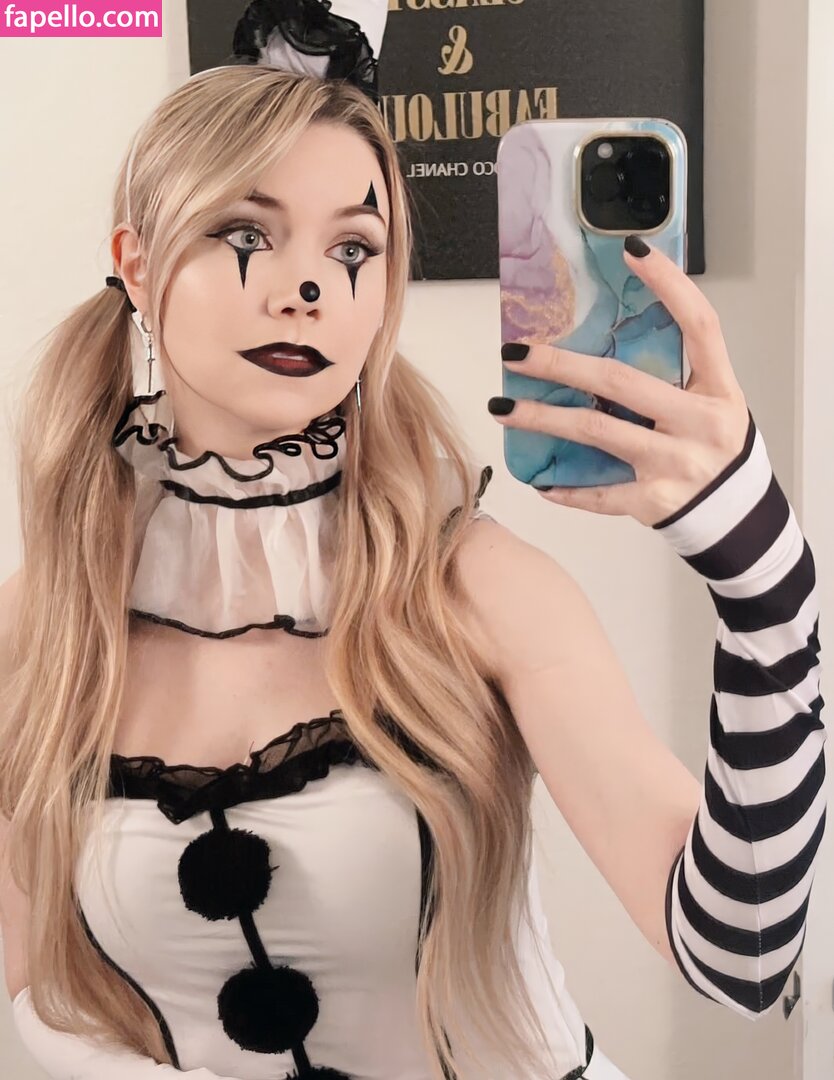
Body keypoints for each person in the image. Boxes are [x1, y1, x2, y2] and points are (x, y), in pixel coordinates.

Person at [0, 3, 825, 1079]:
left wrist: (762, 575)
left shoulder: (475, 585)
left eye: (353, 248)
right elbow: (33, 977)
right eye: (246, 234)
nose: (305, 288)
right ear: (139, 266)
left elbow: (742, 955)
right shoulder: (46, 623)